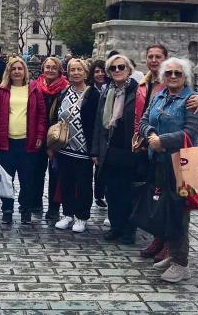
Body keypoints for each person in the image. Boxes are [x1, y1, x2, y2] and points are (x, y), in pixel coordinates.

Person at [136, 44, 198, 263]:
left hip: (182, 163)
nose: (173, 76)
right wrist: (150, 135)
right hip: (158, 160)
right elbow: (144, 121)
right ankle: (167, 248)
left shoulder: (192, 100)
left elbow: (190, 132)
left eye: (178, 73)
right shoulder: (159, 96)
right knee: (161, 205)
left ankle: (180, 260)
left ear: (185, 76)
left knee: (179, 211)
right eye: (169, 73)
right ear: (162, 76)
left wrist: (161, 141)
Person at [0, 57, 47, 225]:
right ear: (9, 71)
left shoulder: (34, 89)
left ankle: (25, 209)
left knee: (27, 179)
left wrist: (40, 136)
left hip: (28, 142)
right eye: (13, 69)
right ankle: (7, 209)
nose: (17, 71)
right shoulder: (3, 91)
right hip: (6, 142)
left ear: (25, 71)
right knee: (6, 179)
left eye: (20, 68)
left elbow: (42, 116)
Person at [92, 54, 140, 244]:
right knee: (112, 191)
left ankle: (129, 230)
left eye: (121, 67)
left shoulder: (137, 91)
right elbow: (98, 122)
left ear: (129, 69)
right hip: (109, 148)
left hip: (129, 148)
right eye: (113, 68)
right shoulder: (106, 91)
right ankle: (116, 226)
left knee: (128, 192)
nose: (117, 71)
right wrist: (95, 150)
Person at [49, 58, 99, 233]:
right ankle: (68, 213)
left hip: (84, 150)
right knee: (65, 183)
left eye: (79, 70)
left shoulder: (93, 94)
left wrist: (95, 149)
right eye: (72, 70)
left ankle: (82, 216)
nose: (75, 73)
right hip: (64, 147)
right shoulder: (64, 92)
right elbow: (56, 117)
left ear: (86, 73)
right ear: (68, 73)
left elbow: (97, 123)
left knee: (84, 184)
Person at [35, 56, 69, 220]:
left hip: (57, 136)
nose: (50, 70)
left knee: (56, 173)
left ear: (59, 71)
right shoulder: (36, 86)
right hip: (37, 133)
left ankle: (54, 207)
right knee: (37, 170)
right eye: (47, 67)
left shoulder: (65, 88)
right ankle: (36, 202)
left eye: (53, 68)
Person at [88, 58, 109, 209]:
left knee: (105, 165)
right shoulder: (89, 89)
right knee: (96, 165)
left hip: (107, 132)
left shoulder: (112, 87)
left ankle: (103, 193)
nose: (100, 74)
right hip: (92, 130)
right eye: (97, 71)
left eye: (102, 71)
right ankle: (98, 194)